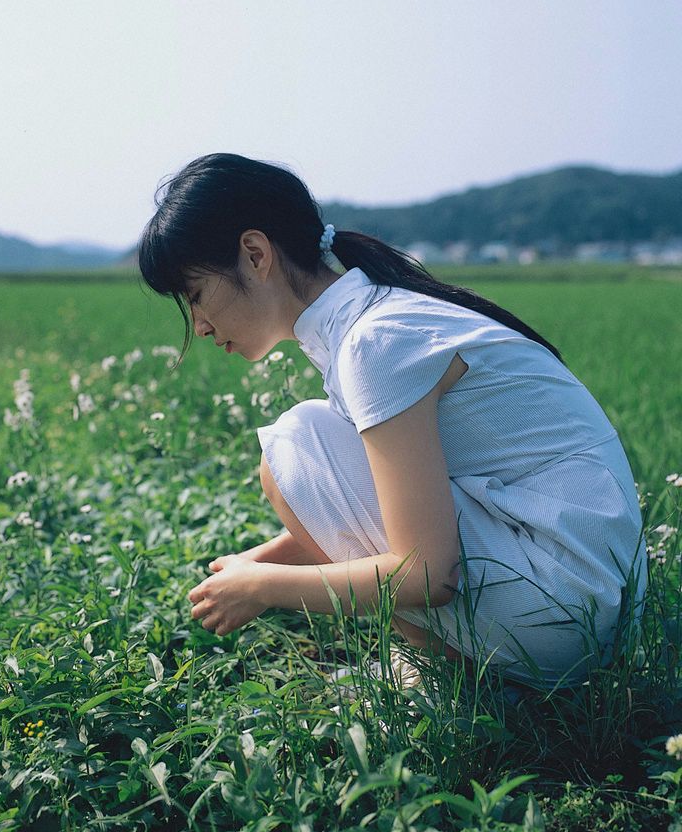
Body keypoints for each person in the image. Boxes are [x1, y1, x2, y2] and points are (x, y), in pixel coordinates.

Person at [138, 152, 646, 689]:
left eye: (195, 295)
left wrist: (265, 586)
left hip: (565, 605)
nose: (200, 325)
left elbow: (426, 574)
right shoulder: (373, 319)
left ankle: (466, 686)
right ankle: (462, 673)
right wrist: (252, 567)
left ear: (256, 253)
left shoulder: (374, 344)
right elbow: (392, 505)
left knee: (295, 446)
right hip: (592, 602)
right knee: (303, 448)